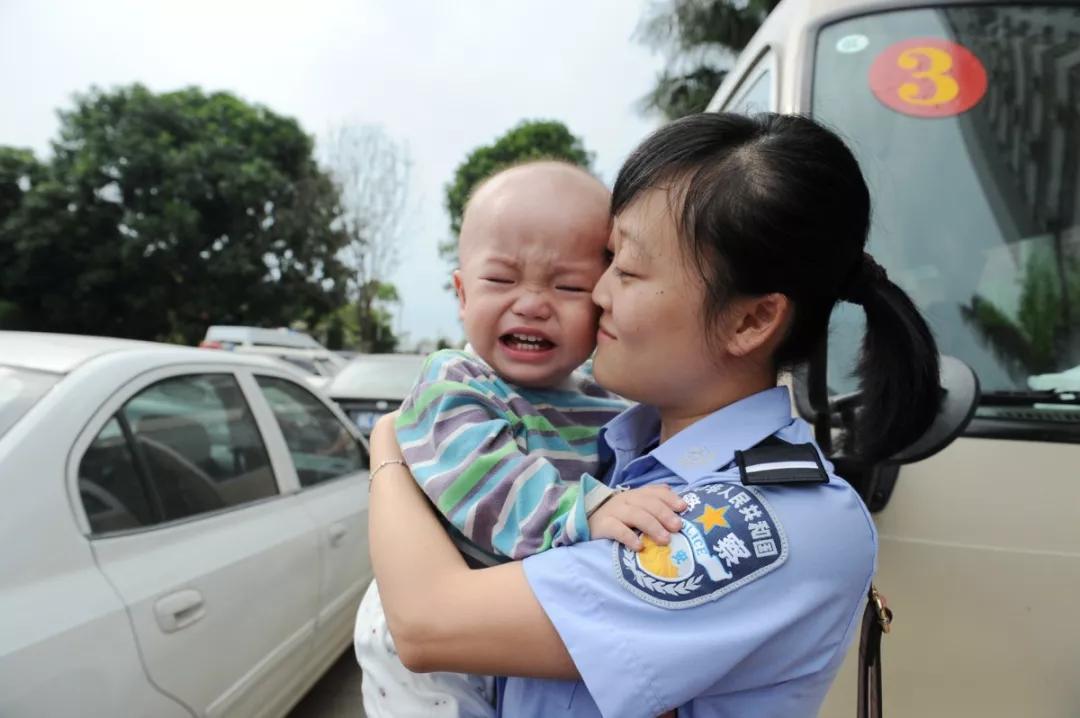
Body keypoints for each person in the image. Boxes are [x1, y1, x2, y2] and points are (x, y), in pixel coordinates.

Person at [365, 112, 942, 717]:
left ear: (750, 320)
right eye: (606, 261)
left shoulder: (763, 522)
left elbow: (429, 623)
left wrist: (389, 449)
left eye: (628, 269)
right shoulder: (626, 455)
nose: (599, 293)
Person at [355, 160, 686, 718]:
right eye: (502, 280)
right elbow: (485, 483)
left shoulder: (613, 407)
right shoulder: (453, 384)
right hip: (436, 668)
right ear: (461, 293)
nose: (532, 302)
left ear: (603, 301)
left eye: (567, 285)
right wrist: (588, 510)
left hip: (517, 633)